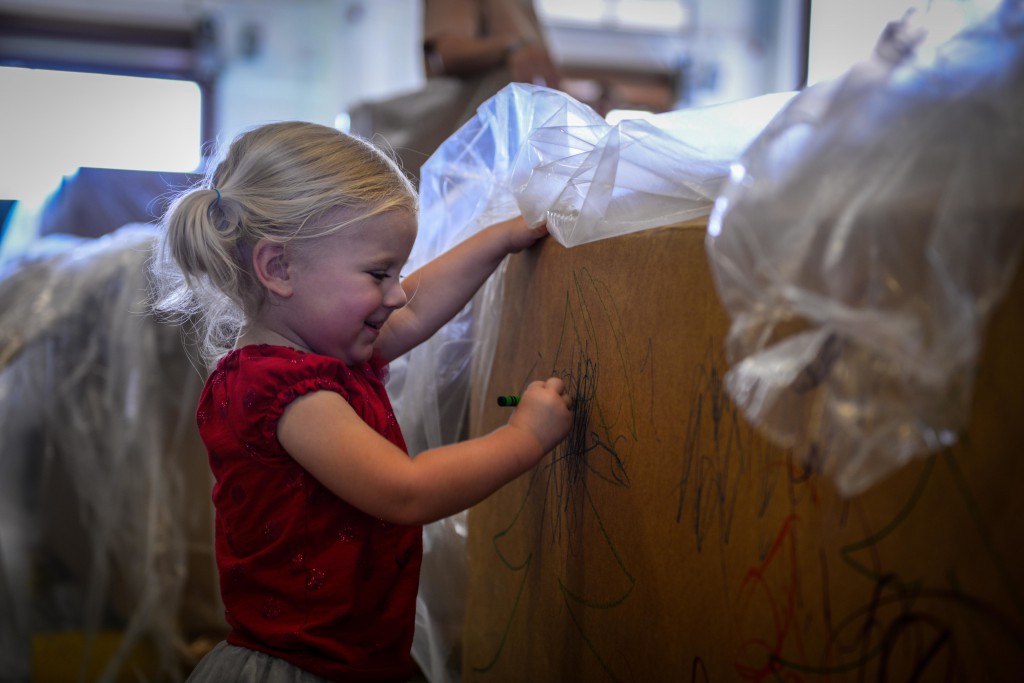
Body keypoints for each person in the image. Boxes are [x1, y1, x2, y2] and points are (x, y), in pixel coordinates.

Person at [151, 120, 572, 682]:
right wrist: (524, 438)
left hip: (357, 661)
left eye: (396, 271)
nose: (396, 293)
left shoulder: (330, 355)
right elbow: (405, 490)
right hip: (302, 670)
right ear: (279, 268)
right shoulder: (281, 392)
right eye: (379, 273)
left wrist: (498, 239)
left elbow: (417, 310)